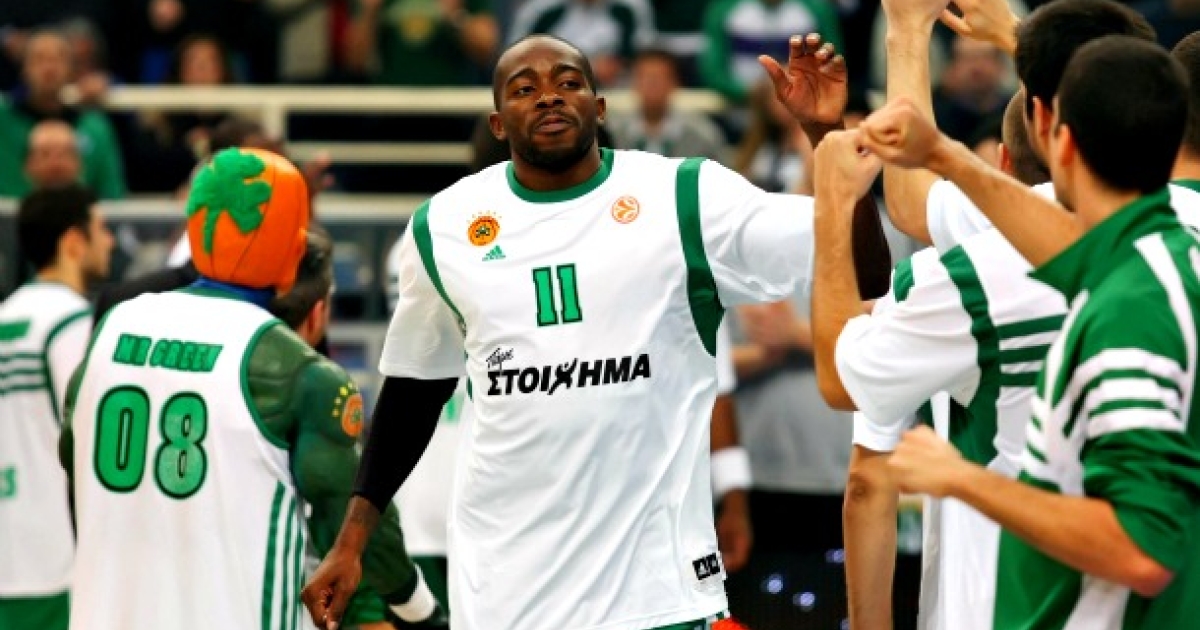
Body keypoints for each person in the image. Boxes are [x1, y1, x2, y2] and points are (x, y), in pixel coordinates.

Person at [303, 32, 891, 630]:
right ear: (498, 123)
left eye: (568, 82)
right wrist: (351, 543)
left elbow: (865, 268)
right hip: (505, 597)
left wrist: (826, 136)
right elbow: (411, 394)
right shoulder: (444, 227)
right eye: (524, 89)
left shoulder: (686, 196)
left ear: (600, 106)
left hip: (659, 597)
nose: (548, 97)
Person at [860, 35, 1200, 630]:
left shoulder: (1138, 298)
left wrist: (960, 478)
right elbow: (1067, 250)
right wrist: (943, 153)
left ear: (1057, 136)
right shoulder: (1155, 260)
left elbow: (1140, 550)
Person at [60, 147, 443, 630]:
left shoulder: (113, 326)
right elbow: (357, 528)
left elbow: (72, 461)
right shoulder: (299, 370)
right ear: (291, 248)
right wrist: (423, 611)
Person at [819, 92, 1062, 630]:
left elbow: (867, 477)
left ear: (1002, 162)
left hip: (986, 606)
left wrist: (833, 202)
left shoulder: (946, 281)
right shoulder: (1160, 251)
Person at [0, 184, 113, 630]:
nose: (109, 241)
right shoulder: (73, 325)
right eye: (101, 228)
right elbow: (93, 444)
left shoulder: (6, 317)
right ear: (73, 242)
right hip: (54, 565)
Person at [0, 29, 125, 199]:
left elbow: (112, 194)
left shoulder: (95, 128)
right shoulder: (3, 119)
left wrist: (112, 84)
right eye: (39, 59)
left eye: (58, 59)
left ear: (72, 70)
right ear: (24, 69)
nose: (49, 68)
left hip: (78, 213)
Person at [606, 48, 726, 161]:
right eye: (645, 78)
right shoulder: (611, 133)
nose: (651, 85)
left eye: (659, 79)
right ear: (633, 83)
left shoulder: (702, 134)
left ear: (675, 83)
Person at [25, 119, 83, 191]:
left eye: (62, 155)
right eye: (45, 155)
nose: (55, 164)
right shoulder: (28, 198)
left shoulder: (90, 198)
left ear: (77, 162)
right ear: (30, 164)